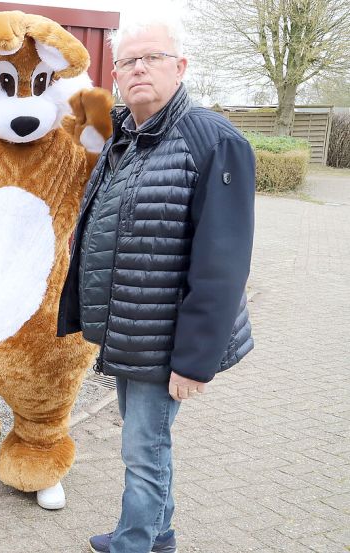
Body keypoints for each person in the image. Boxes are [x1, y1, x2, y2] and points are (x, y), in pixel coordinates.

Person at [56, 8, 255, 553]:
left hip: (166, 335)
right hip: (129, 326)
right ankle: (154, 534)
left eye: (152, 58)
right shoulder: (122, 134)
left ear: (181, 66)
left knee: (144, 448)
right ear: (116, 73)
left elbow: (224, 261)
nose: (138, 69)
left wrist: (195, 359)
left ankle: (136, 543)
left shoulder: (212, 140)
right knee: (145, 441)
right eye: (127, 61)